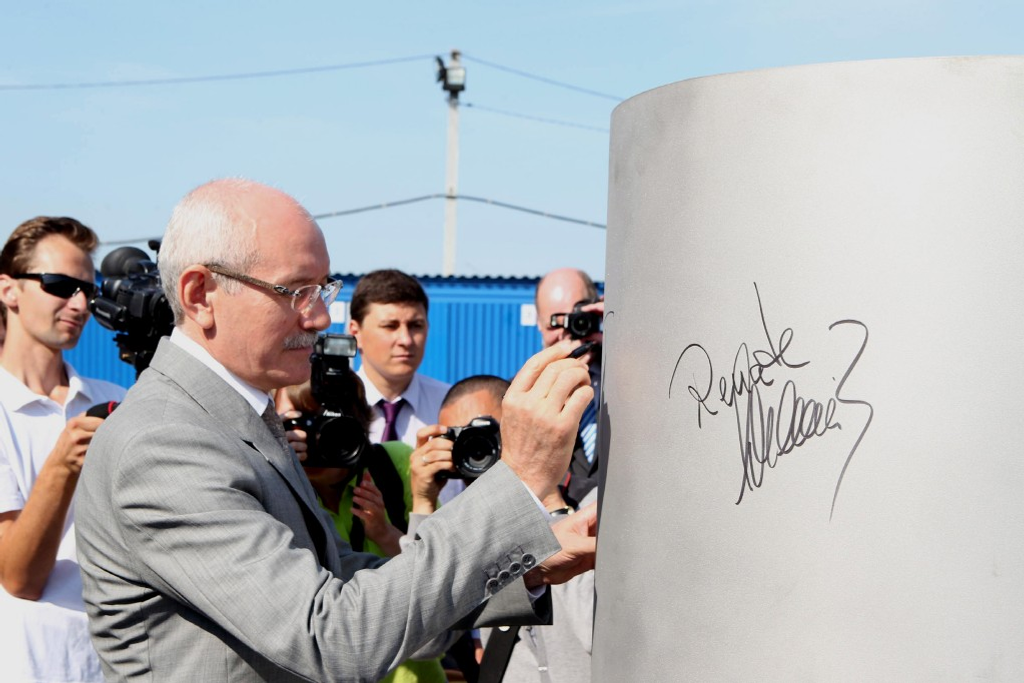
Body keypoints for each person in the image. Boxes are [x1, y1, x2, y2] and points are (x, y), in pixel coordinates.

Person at [75, 178, 597, 682]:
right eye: (296, 291)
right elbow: (331, 637)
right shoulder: (164, 443)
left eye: (323, 289)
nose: (321, 316)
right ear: (200, 294)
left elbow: (342, 577)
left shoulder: (234, 418)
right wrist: (518, 478)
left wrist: (527, 564)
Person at [0, 216, 126, 683]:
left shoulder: (115, 397)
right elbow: (19, 578)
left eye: (88, 290)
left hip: (119, 664)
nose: (79, 304)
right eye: (59, 285)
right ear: (8, 290)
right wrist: (62, 464)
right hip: (30, 667)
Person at [411, 376, 595, 683]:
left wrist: (550, 504)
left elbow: (595, 630)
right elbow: (424, 644)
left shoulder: (592, 505)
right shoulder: (467, 526)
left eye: (488, 434)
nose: (477, 449)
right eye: (462, 439)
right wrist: (423, 504)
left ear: (525, 428)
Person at [274, 370, 447, 683]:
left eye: (328, 425)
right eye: (299, 424)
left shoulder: (395, 465)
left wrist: (386, 534)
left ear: (359, 424)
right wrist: (278, 464)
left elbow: (444, 578)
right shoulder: (271, 484)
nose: (316, 439)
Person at [348, 270, 464, 504]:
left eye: (415, 325)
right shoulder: (331, 408)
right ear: (355, 333)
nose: (406, 340)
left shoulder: (453, 407)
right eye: (390, 326)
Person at [534, 268, 604, 504]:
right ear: (539, 324)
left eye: (575, 319)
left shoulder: (630, 377)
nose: (566, 333)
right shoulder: (522, 395)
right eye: (555, 324)